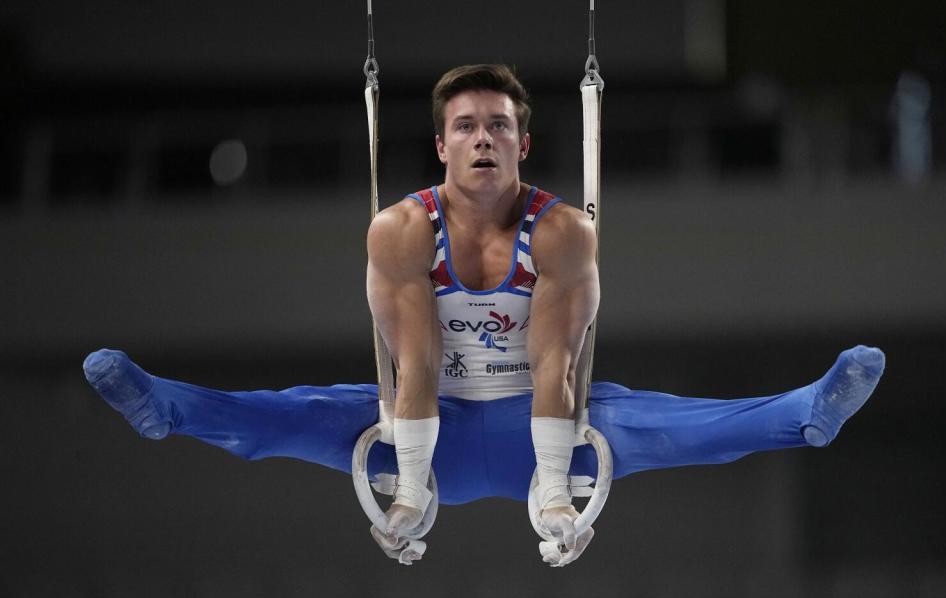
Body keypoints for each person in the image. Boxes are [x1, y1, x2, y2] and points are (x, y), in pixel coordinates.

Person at [83, 64, 886, 567]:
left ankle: (805, 415)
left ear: (522, 144)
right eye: (465, 127)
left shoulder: (563, 230)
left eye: (498, 126)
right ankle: (168, 410)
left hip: (551, 430)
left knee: (668, 425)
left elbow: (557, 366)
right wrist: (407, 492)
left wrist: (554, 496)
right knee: (302, 415)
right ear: (441, 145)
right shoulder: (401, 230)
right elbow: (415, 366)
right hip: (426, 429)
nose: (481, 140)